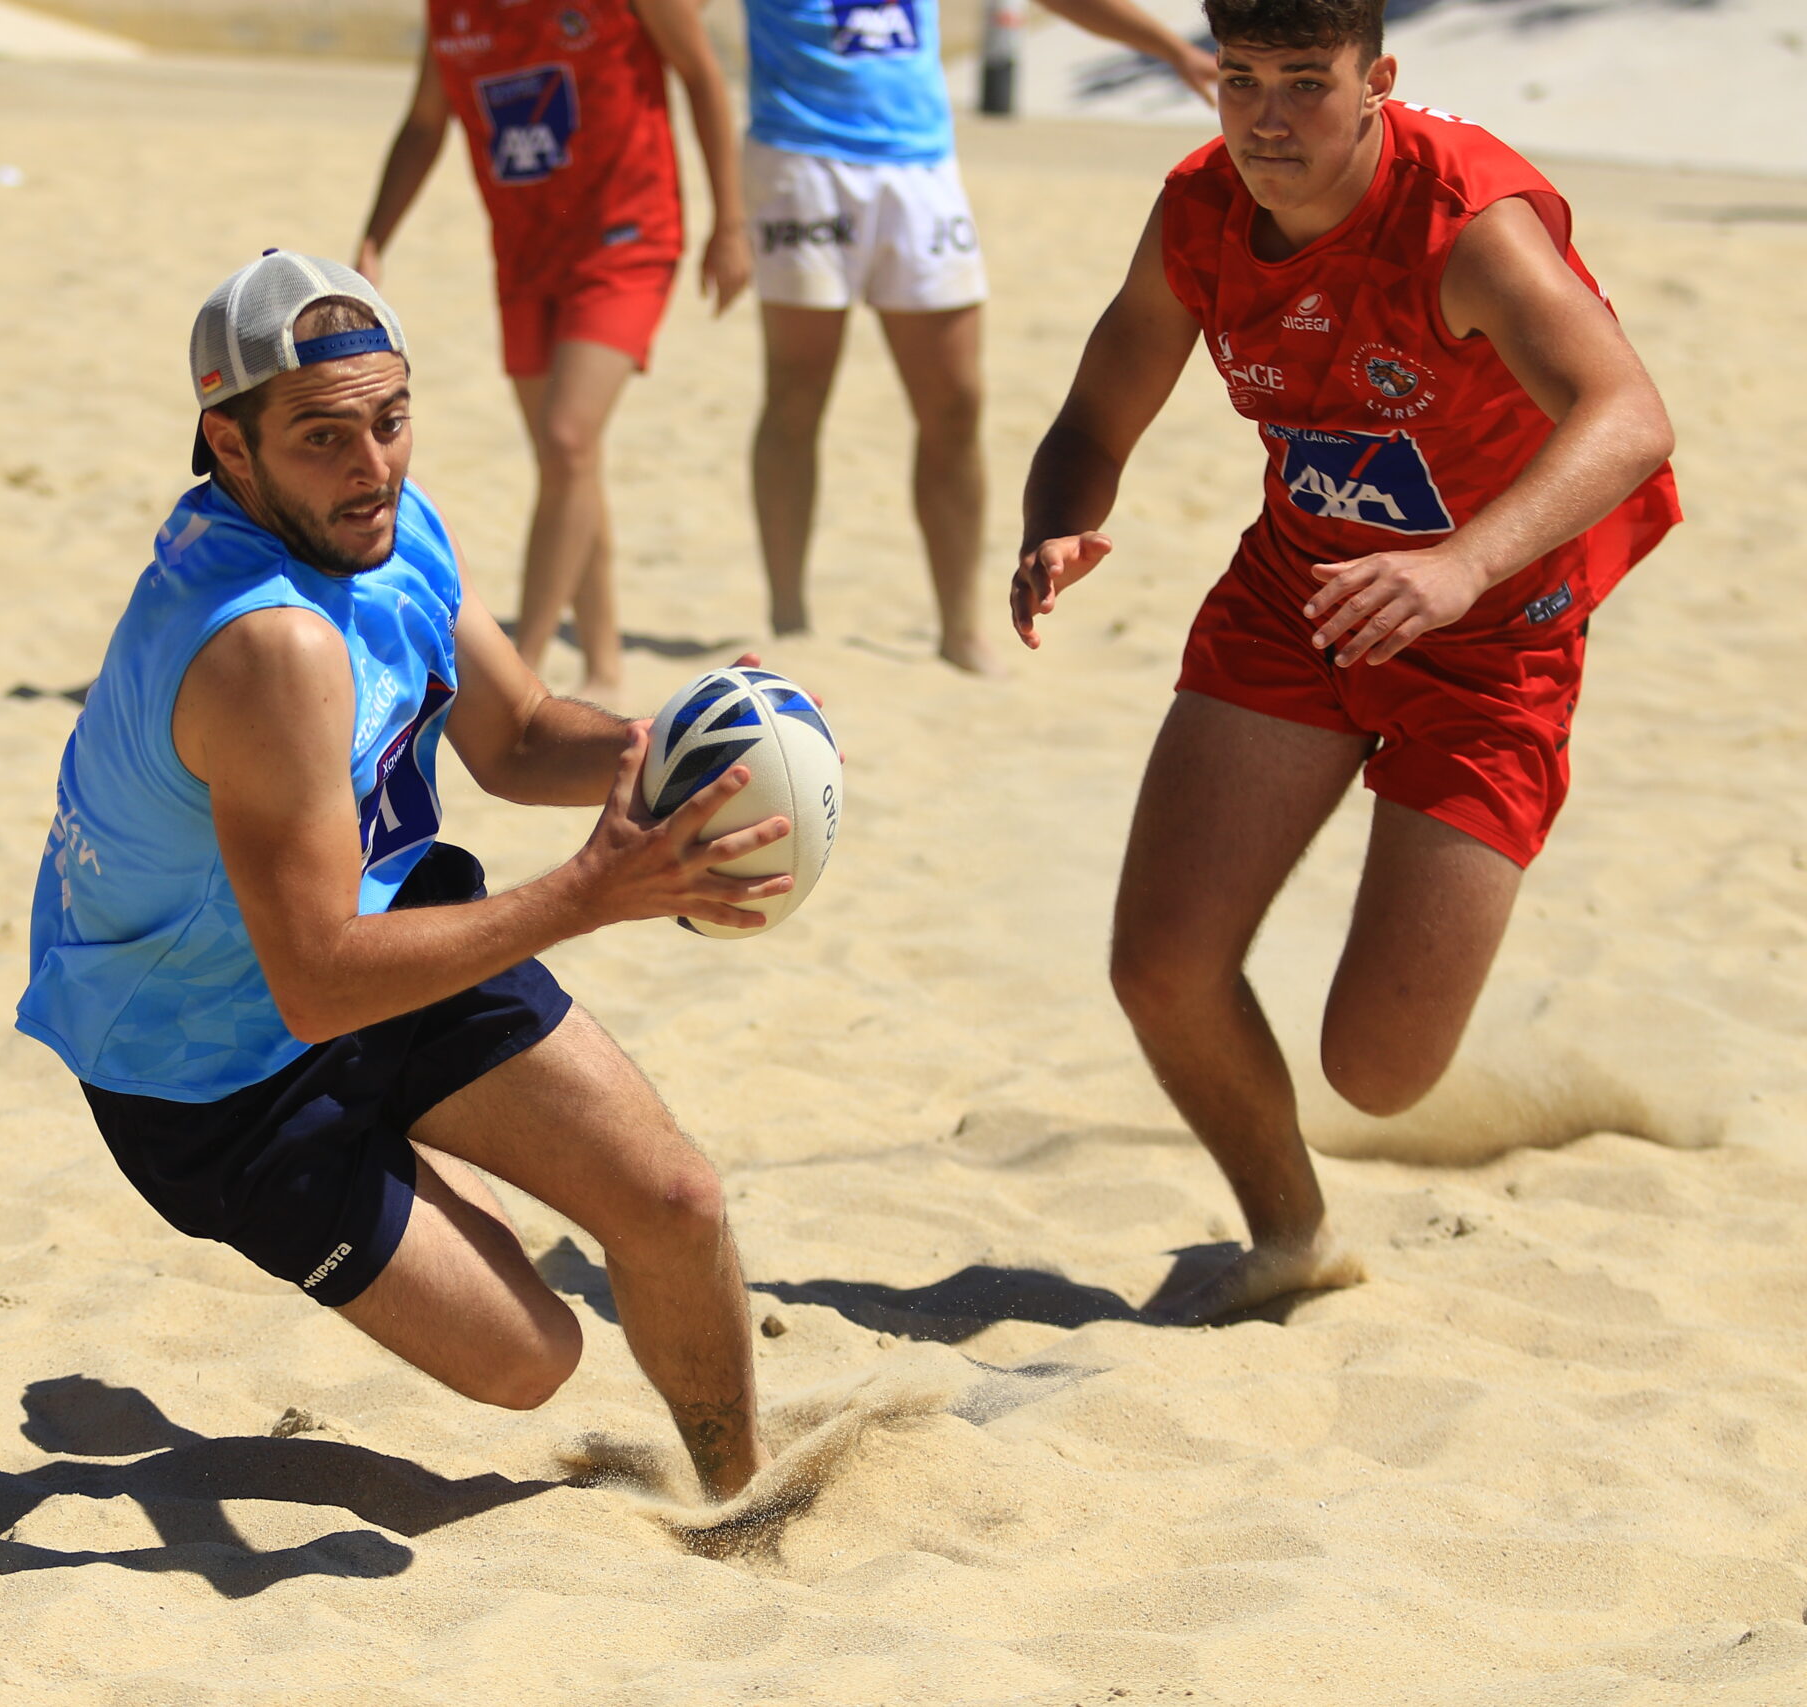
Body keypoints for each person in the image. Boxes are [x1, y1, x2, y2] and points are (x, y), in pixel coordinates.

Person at [16, 251, 797, 1498]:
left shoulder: (391, 526)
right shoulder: (266, 645)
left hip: (376, 924)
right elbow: (319, 985)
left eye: (388, 422)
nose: (372, 467)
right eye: (323, 436)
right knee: (531, 1357)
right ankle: (408, 1153)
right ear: (229, 445)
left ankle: (738, 1503)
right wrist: (593, 891)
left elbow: (516, 734)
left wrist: (675, 757)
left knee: (674, 1200)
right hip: (208, 1068)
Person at [1010, 0, 1678, 1321]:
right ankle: (1288, 1235)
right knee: (1160, 965)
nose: (1266, 118)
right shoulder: (1200, 209)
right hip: (1302, 594)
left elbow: (1633, 416)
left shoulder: (1466, 226)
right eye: (1240, 80)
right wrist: (1057, 524)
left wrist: (1459, 564)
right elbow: (1092, 412)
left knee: (1376, 1068)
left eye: (1304, 84)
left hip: (1493, 634)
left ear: (1377, 81)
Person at [744, 0, 1216, 672]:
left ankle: (960, 628)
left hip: (918, 163)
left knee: (956, 402)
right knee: (796, 389)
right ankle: (789, 620)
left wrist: (1170, 48)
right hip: (798, 152)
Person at [356, 0, 750, 702]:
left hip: (628, 237)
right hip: (525, 253)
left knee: (568, 439)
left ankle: (519, 664)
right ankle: (603, 660)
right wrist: (375, 236)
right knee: (567, 458)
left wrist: (732, 223)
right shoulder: (451, 12)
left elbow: (702, 74)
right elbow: (425, 121)